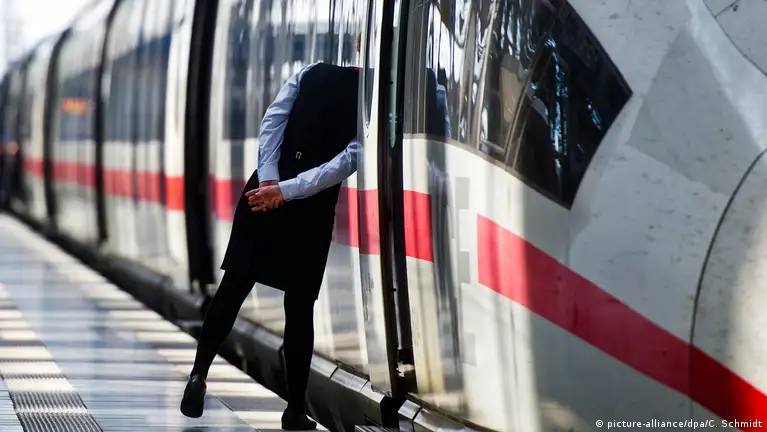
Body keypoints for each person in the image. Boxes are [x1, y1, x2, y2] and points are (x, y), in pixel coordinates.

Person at [180, 61, 359, 431]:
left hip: (261, 195)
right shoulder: (371, 103)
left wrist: (270, 181)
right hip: (310, 211)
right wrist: (288, 192)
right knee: (299, 308)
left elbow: (272, 121)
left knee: (232, 287)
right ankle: (294, 409)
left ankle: (199, 373)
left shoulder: (310, 72)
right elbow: (344, 162)